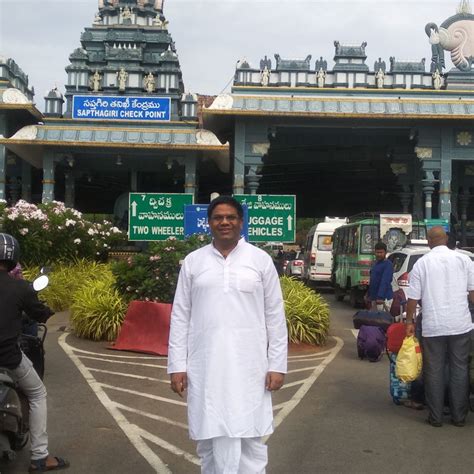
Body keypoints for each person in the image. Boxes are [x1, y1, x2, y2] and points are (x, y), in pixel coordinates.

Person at [167, 196, 288, 474]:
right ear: (209, 223)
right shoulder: (194, 262)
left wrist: (277, 365)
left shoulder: (260, 261)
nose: (224, 222)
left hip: (250, 367)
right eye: (218, 217)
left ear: (241, 222)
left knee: (250, 437)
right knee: (209, 437)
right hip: (205, 365)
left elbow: (275, 317)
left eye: (230, 217)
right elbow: (180, 316)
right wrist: (177, 366)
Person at [0, 233, 69, 471]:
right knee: (38, 394)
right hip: (9, 358)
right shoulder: (20, 287)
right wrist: (46, 312)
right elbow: (40, 313)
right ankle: (40, 458)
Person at [405, 226, 474, 427]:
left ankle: (435, 417)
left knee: (434, 370)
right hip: (460, 325)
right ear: (446, 239)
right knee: (459, 368)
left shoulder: (421, 264)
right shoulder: (464, 260)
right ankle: (459, 417)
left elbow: (412, 299)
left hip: (433, 326)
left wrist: (409, 323)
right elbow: (472, 295)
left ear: (429, 241)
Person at [367, 241, 393, 311]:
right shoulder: (375, 264)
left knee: (381, 320)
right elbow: (372, 280)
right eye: (377, 252)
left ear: (385, 252)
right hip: (374, 298)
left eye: (381, 252)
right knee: (373, 320)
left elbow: (385, 281)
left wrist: (380, 297)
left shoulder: (388, 264)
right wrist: (368, 294)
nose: (379, 254)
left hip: (383, 299)